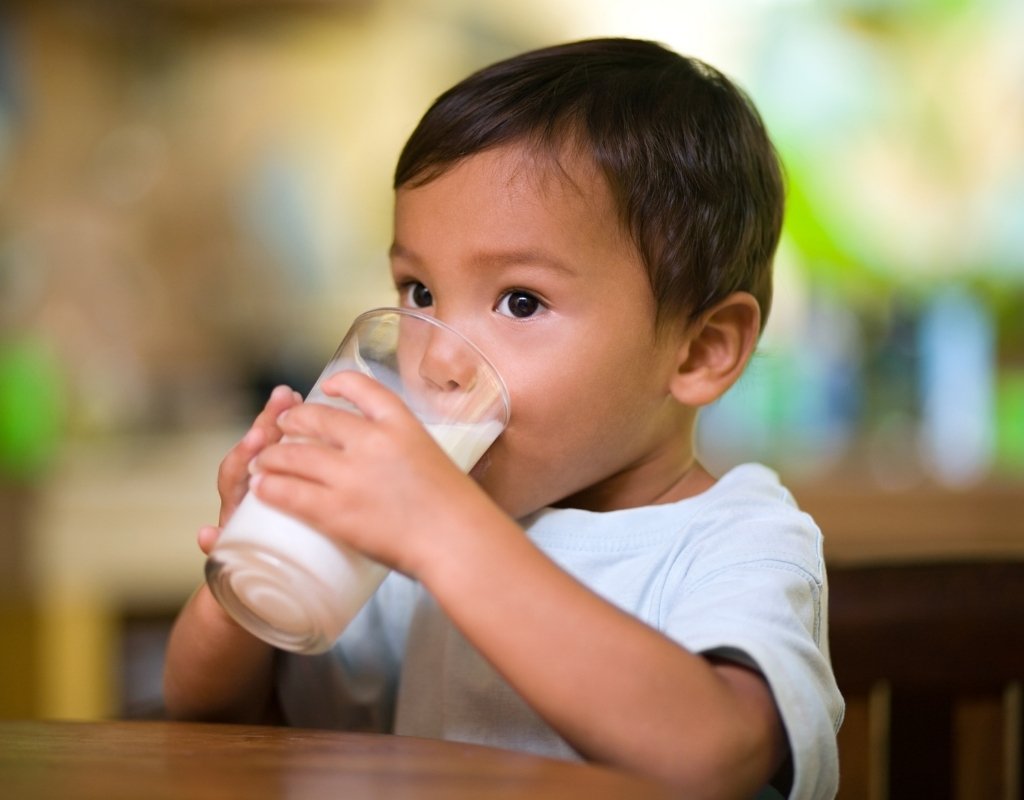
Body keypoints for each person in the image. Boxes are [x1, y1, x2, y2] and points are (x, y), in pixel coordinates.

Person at [164, 37, 844, 799]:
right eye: (419, 292)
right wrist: (247, 573)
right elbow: (216, 713)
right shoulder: (413, 536)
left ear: (700, 350)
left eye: (521, 301)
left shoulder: (737, 541)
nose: (436, 357)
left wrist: (442, 533)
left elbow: (714, 754)